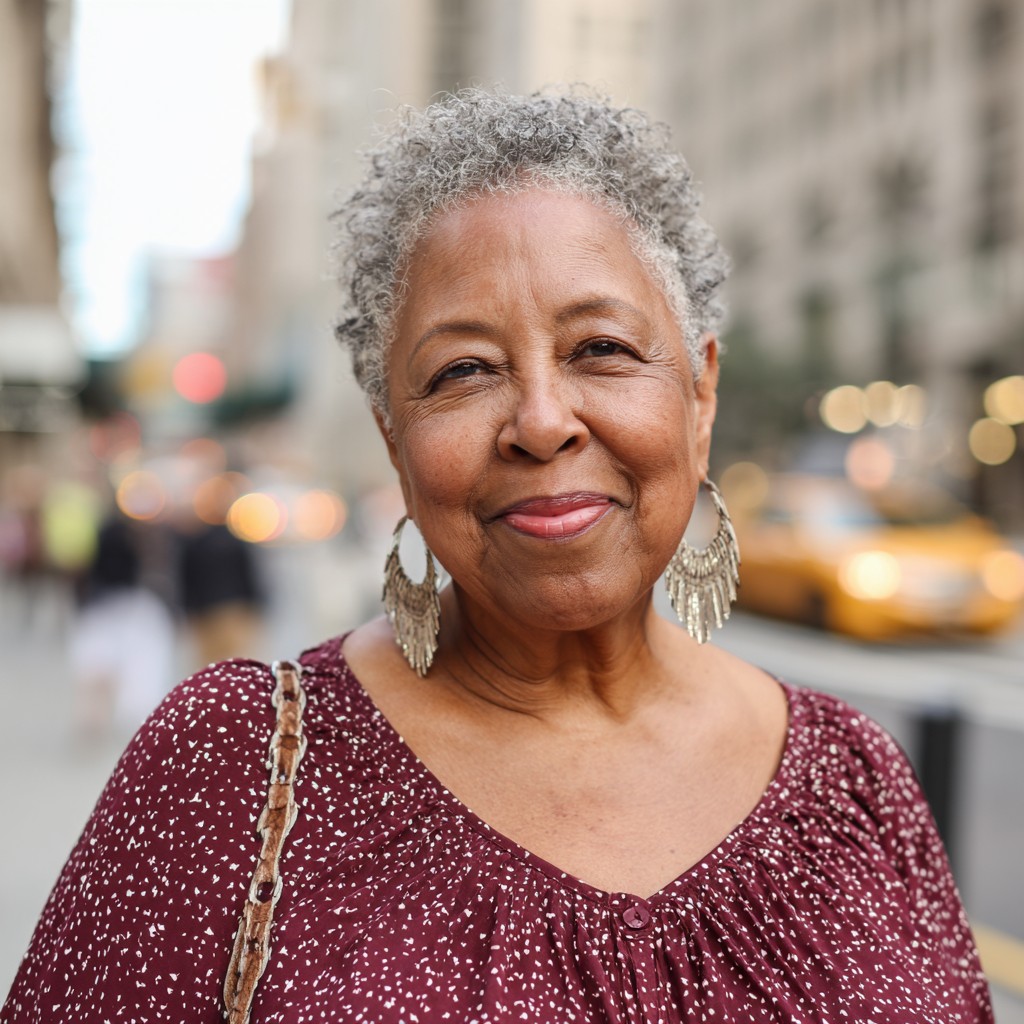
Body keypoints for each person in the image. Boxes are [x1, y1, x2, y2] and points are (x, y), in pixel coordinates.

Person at [2, 89, 992, 1023]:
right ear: (394, 439)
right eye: (463, 370)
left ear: (699, 393)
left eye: (600, 348)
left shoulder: (855, 779)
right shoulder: (230, 766)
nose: (542, 420)